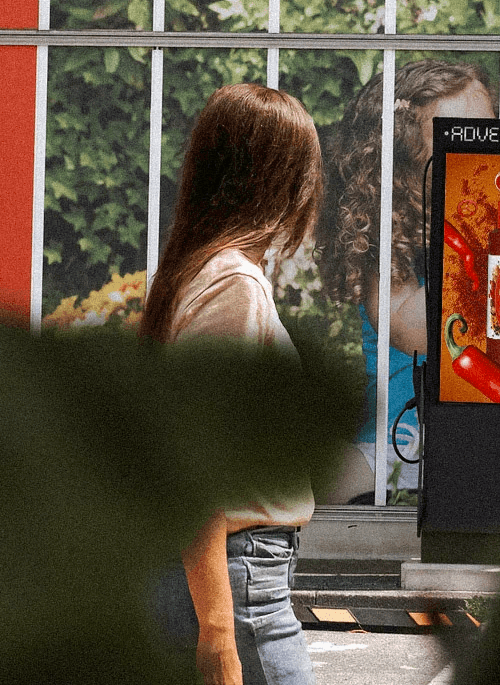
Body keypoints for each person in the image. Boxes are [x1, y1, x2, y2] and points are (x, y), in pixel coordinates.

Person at [141, 83, 323, 685]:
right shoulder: (232, 285)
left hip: (227, 578)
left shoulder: (191, 271)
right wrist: (220, 634)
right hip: (243, 586)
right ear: (279, 183)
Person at [316, 59, 497, 504]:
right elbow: (411, 330)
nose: (483, 155)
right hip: (403, 435)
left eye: (492, 135)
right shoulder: (390, 231)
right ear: (404, 156)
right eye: (458, 142)